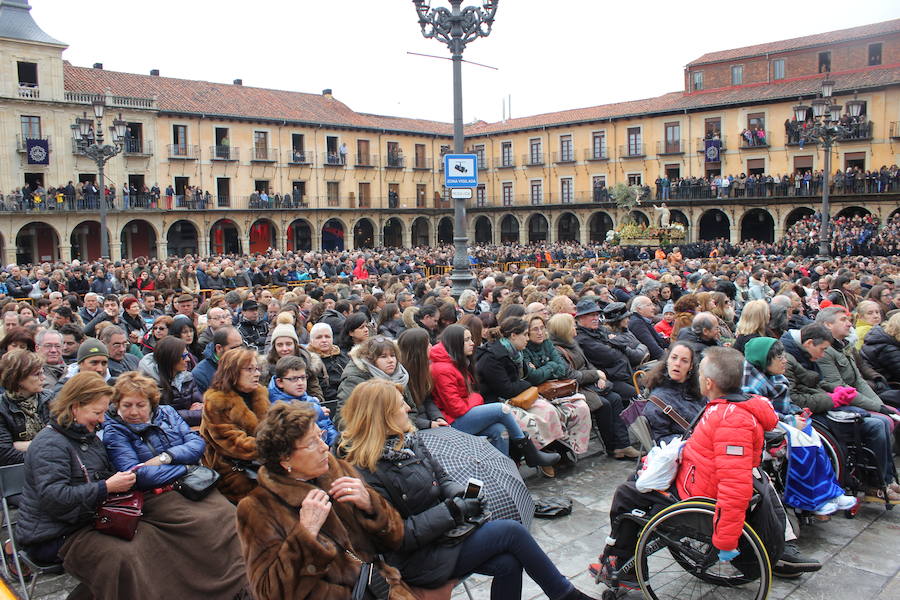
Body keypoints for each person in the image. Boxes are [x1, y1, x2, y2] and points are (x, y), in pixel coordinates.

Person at [342, 379, 600, 600]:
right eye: (401, 404)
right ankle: (566, 594)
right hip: (416, 558)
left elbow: (442, 478)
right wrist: (453, 510)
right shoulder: (366, 469)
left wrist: (460, 494)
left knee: (509, 563)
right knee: (511, 531)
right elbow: (400, 537)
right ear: (383, 414)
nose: (408, 408)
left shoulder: (410, 441)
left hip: (444, 537)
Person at [235, 401, 413, 600]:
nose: (324, 447)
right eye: (311, 443)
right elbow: (269, 593)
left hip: (382, 588)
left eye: (321, 436)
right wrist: (306, 535)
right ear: (285, 459)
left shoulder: (338, 470)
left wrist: (371, 506)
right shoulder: (257, 508)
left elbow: (395, 538)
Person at [13, 373, 168, 598]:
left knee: (149, 537)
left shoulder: (87, 437)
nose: (103, 420)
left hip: (80, 521)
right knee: (122, 556)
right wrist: (106, 487)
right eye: (97, 412)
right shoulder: (49, 444)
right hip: (51, 535)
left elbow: (99, 474)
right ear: (75, 408)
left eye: (104, 412)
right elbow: (54, 497)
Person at [101, 372, 248, 598]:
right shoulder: (115, 430)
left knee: (228, 514)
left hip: (189, 484)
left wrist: (166, 457)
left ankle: (240, 579)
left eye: (140, 405)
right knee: (205, 523)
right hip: (156, 494)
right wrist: (183, 467)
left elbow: (196, 444)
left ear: (151, 403)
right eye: (126, 405)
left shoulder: (167, 413)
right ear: (117, 405)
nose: (133, 412)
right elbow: (137, 474)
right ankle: (218, 586)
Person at [429, 324, 557, 465]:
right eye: (467, 340)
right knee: (502, 409)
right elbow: (456, 408)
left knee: (499, 430)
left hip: (464, 414)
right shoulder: (442, 369)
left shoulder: (458, 362)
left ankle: (505, 468)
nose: (472, 343)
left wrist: (474, 397)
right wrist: (477, 398)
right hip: (454, 422)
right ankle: (531, 454)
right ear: (455, 342)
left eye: (471, 338)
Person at [476, 317, 575, 472]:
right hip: (496, 401)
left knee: (548, 410)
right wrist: (528, 384)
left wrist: (527, 382)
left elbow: (525, 377)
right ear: (513, 336)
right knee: (529, 421)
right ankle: (539, 456)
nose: (528, 339)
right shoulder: (493, 357)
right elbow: (507, 388)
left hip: (515, 397)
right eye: (525, 335)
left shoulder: (516, 353)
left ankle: (557, 451)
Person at [200, 347, 269, 503]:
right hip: (231, 468)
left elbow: (272, 427)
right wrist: (274, 446)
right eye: (250, 369)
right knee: (266, 500)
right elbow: (233, 444)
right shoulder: (216, 402)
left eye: (257, 369)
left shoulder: (259, 394)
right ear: (232, 371)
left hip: (260, 459)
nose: (257, 373)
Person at [521, 314, 592, 458]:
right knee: (550, 413)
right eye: (535, 329)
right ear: (527, 332)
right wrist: (551, 366)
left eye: (542, 328)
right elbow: (533, 377)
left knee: (582, 408)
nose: (540, 332)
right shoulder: (524, 349)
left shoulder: (547, 344)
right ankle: (558, 452)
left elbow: (563, 369)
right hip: (537, 393)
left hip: (557, 390)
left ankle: (572, 447)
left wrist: (546, 368)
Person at [337, 336, 424, 426]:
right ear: (370, 360)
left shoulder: (398, 376)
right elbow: (343, 419)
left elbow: (411, 410)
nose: (390, 360)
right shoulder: (354, 380)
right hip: (370, 435)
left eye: (393, 355)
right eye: (383, 357)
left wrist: (403, 427)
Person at [642, 342, 705, 444]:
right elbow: (660, 439)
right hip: (685, 451)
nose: (677, 363)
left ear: (691, 367)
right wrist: (692, 441)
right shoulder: (658, 399)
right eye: (674, 358)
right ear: (667, 361)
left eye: (684, 361)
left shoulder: (698, 391)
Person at [267, 355, 338, 446]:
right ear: (280, 382)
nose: (300, 383)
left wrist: (336, 445)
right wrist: (315, 411)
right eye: (293, 379)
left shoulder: (310, 400)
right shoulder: (275, 405)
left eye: (303, 377)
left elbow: (328, 427)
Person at [0, 350, 51, 465]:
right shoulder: (2, 408)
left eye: (43, 372)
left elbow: (62, 442)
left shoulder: (50, 399)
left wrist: (27, 445)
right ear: (18, 379)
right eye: (37, 374)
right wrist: (47, 453)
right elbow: (5, 454)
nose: (43, 378)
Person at [153, 336, 204, 426]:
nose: (188, 359)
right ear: (171, 358)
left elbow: (204, 407)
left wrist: (197, 410)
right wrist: (190, 412)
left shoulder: (187, 378)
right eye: (183, 356)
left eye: (187, 355)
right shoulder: (154, 386)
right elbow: (166, 417)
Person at [306, 322, 349, 415]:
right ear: (311, 340)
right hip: (328, 406)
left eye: (327, 336)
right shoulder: (309, 361)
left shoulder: (343, 356)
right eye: (319, 337)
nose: (324, 340)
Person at [192, 326, 243, 394]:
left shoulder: (246, 364)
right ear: (219, 348)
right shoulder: (200, 374)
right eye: (234, 348)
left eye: (241, 346)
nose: (240, 351)